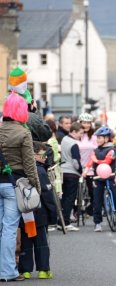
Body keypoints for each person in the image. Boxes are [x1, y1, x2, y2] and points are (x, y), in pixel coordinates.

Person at [0, 93, 40, 282]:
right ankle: (7, 271)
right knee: (9, 228)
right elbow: (30, 164)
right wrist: (36, 187)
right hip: (13, 184)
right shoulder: (23, 132)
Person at [19, 142, 56, 280]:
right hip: (40, 212)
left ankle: (25, 271)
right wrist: (53, 215)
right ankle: (43, 270)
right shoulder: (40, 171)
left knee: (26, 241)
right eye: (43, 155)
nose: (46, 158)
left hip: (25, 211)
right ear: (34, 154)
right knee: (41, 242)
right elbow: (47, 195)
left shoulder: (21, 168)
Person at [83, 126, 116, 232]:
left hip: (110, 176)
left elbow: (107, 162)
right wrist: (85, 171)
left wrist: (95, 159)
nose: (98, 140)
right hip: (97, 177)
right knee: (97, 201)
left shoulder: (113, 150)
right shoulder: (95, 150)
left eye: (100, 137)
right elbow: (90, 163)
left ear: (107, 138)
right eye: (97, 138)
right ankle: (97, 223)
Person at [59, 122, 84, 232]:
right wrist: (81, 170)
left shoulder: (64, 139)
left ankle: (61, 222)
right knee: (70, 198)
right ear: (74, 132)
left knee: (64, 198)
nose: (81, 136)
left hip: (63, 171)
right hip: (72, 173)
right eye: (80, 133)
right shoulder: (74, 144)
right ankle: (66, 222)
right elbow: (75, 162)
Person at [77, 113, 97, 216]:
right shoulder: (76, 136)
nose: (86, 125)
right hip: (78, 167)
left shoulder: (94, 137)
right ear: (80, 123)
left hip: (90, 168)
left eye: (88, 123)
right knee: (76, 191)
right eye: (84, 122)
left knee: (93, 191)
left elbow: (96, 151)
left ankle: (90, 209)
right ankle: (76, 210)